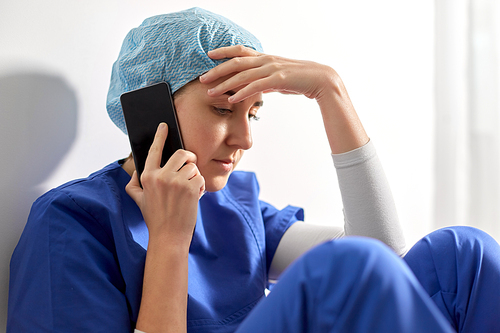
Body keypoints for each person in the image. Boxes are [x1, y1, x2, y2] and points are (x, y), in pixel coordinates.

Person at [7, 7, 500, 333]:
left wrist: (330, 91)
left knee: (464, 253)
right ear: (148, 108)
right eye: (224, 109)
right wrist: (170, 242)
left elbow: (384, 256)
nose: (245, 140)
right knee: (345, 269)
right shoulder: (70, 224)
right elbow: (361, 269)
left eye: (254, 113)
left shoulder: (230, 206)